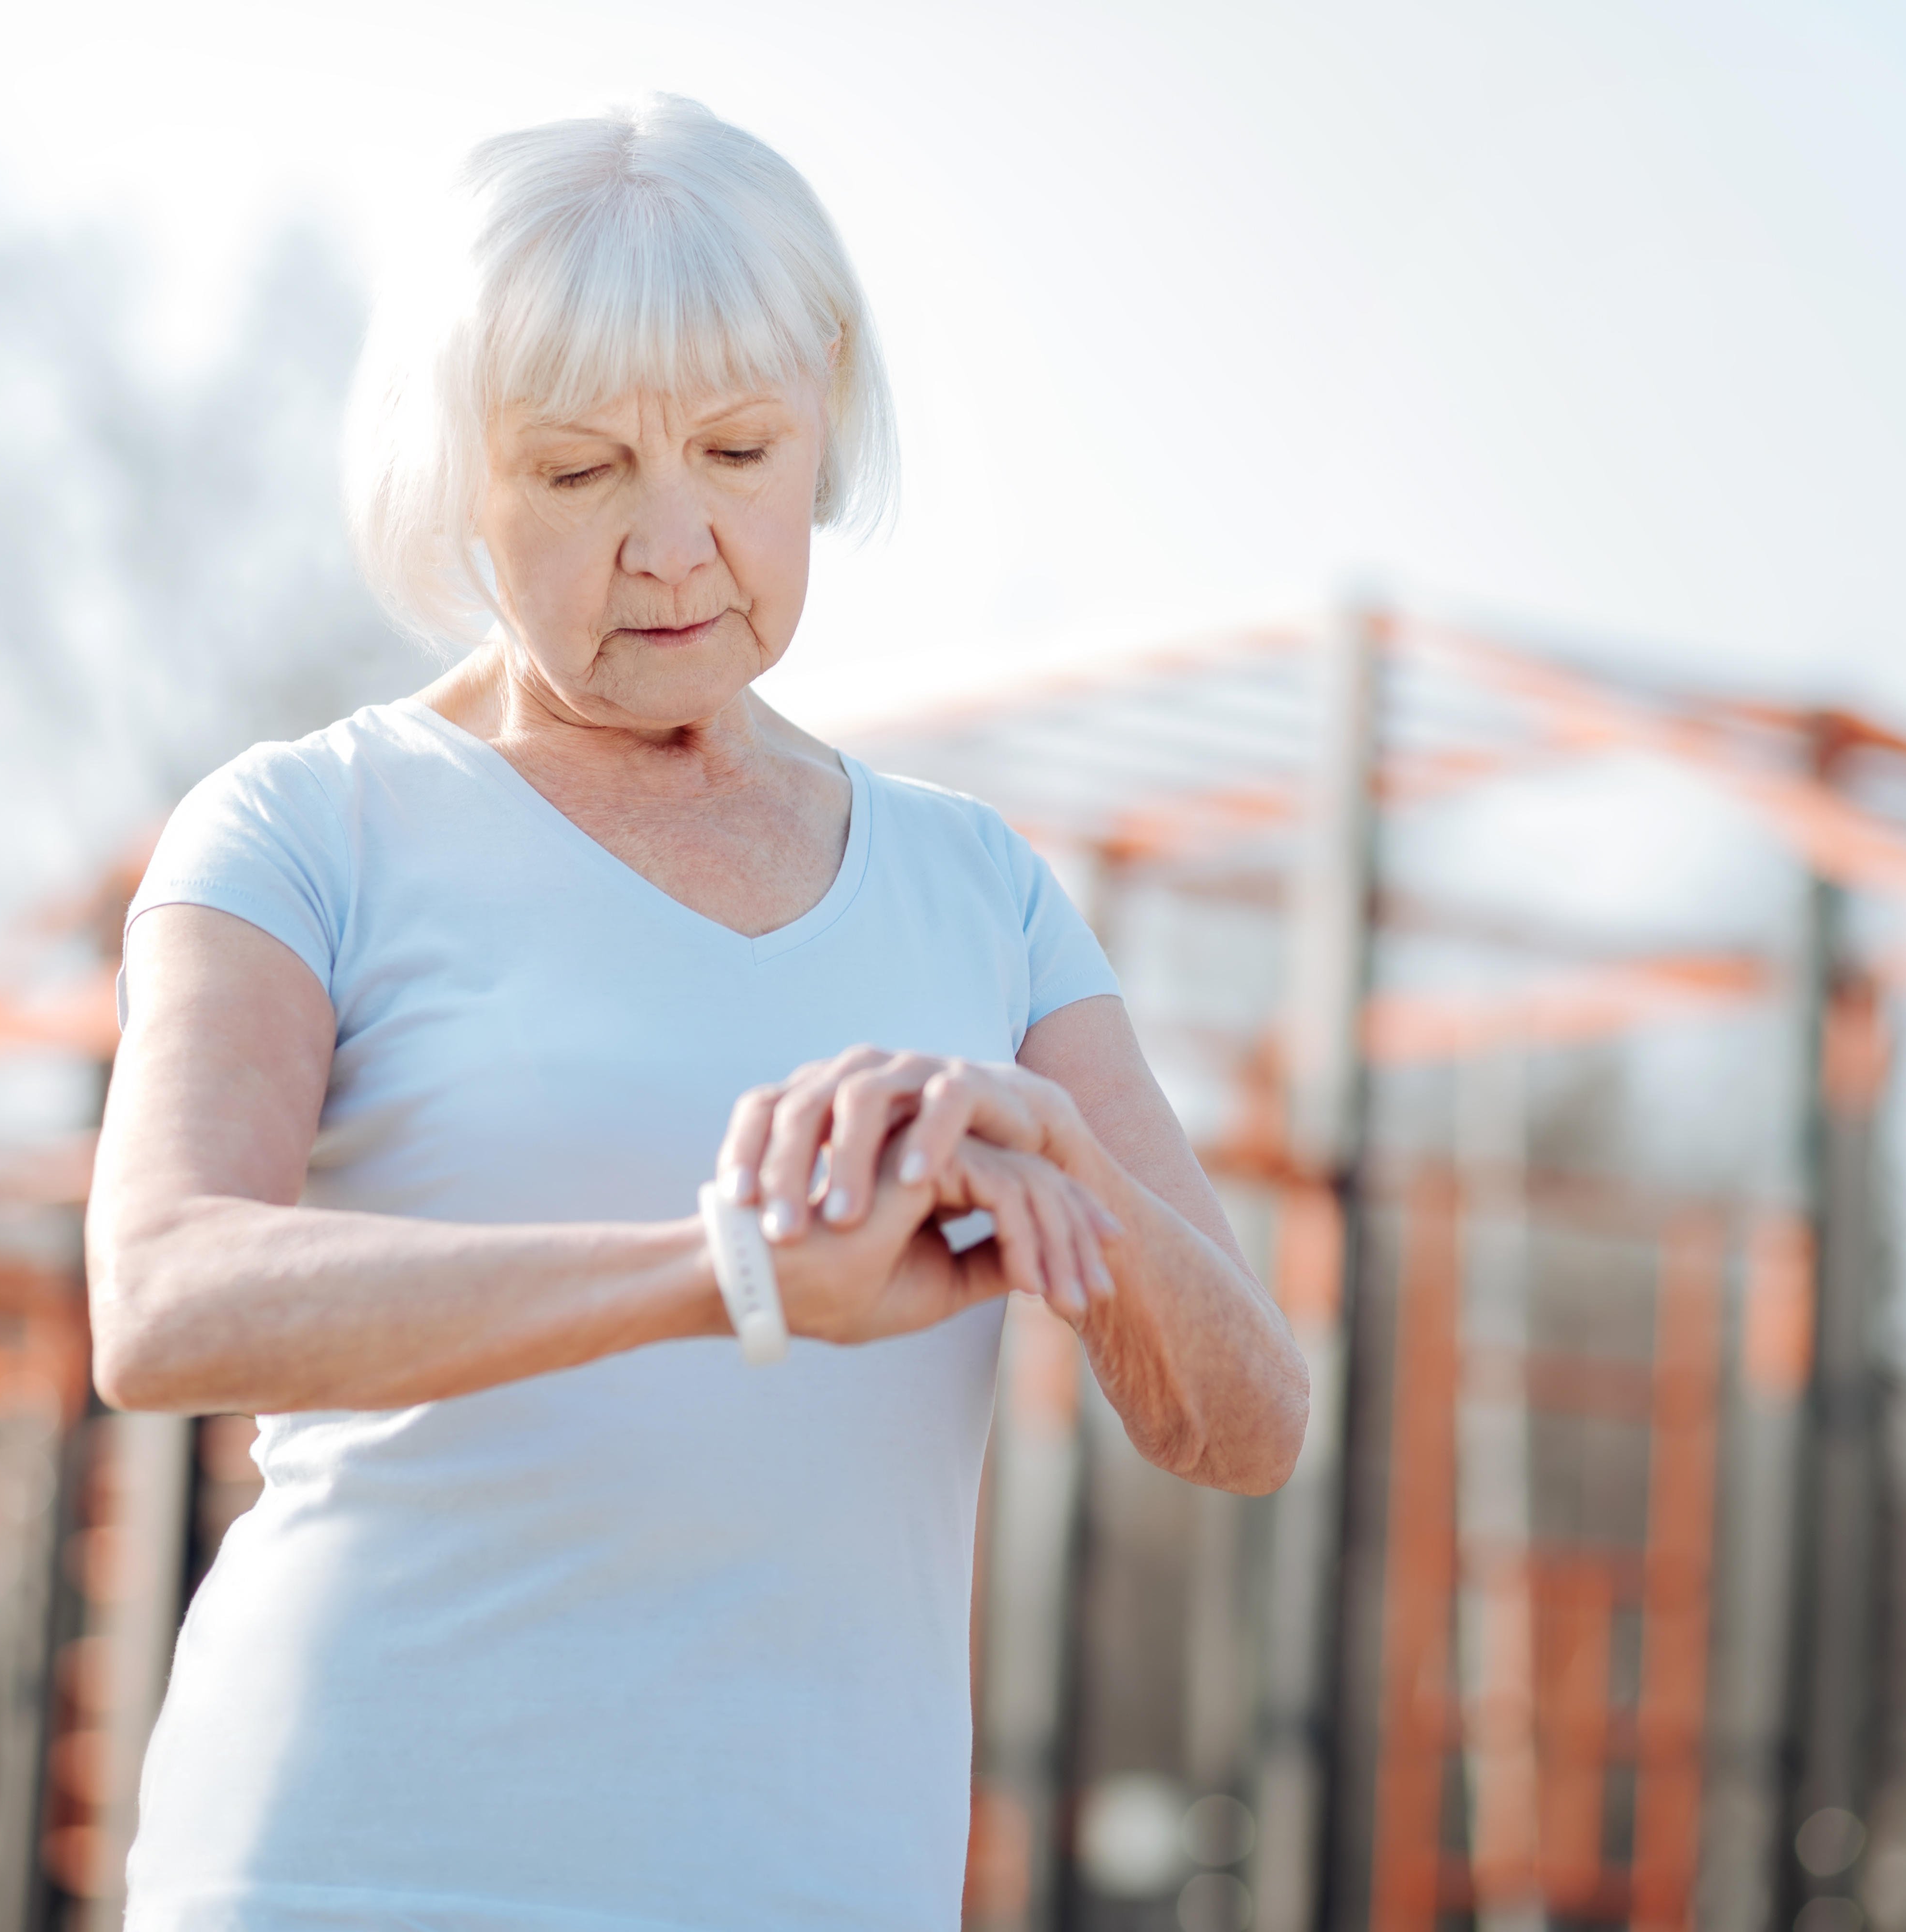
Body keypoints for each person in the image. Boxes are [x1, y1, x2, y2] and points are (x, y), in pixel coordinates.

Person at [86, 96, 1308, 1931]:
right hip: (358, 1866)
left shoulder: (980, 889)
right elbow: (163, 1301)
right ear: (456, 469)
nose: (672, 547)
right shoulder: (300, 826)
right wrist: (722, 1277)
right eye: (579, 473)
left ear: (824, 417)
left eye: (737, 452)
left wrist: (1067, 1179)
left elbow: (1250, 1425)